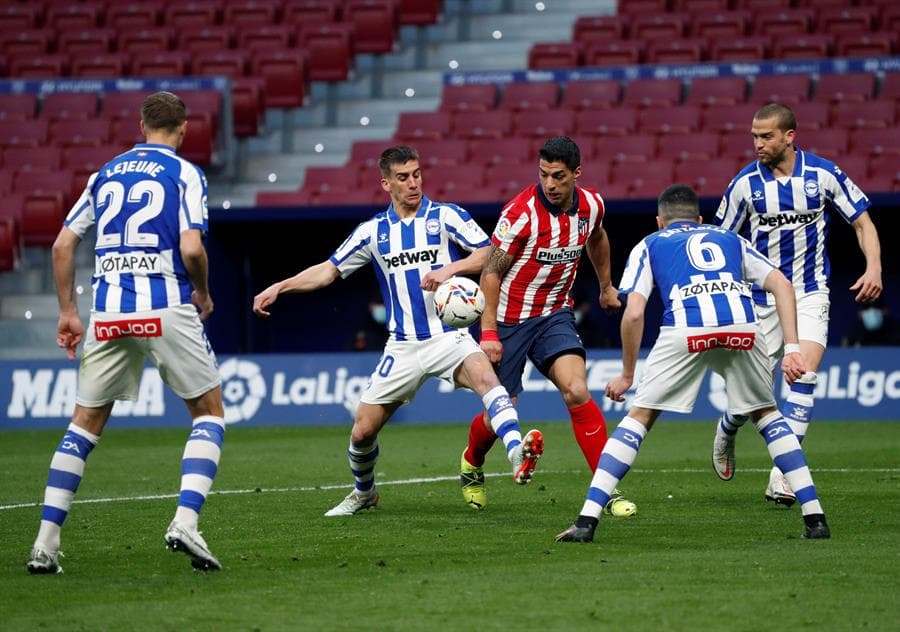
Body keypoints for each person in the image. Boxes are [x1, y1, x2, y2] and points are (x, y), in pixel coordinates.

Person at [252, 145, 543, 516]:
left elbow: (489, 253)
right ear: (386, 183)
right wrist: (281, 286)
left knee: (489, 381)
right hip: (402, 346)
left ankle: (516, 452)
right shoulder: (373, 232)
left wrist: (450, 269)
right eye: (403, 177)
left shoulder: (446, 216)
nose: (413, 183)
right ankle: (364, 493)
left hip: (448, 337)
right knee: (362, 432)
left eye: (417, 174)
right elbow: (328, 270)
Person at [556, 184, 830, 544]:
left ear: (659, 221)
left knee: (640, 418)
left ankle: (587, 521)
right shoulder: (730, 239)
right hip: (743, 325)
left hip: (687, 326)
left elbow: (634, 312)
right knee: (767, 415)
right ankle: (815, 518)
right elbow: (781, 283)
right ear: (699, 219)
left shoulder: (650, 243)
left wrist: (627, 374)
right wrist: (792, 348)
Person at [26, 92, 226, 574]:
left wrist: (68, 313)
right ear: (184, 129)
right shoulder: (185, 174)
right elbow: (192, 248)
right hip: (166, 306)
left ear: (141, 126)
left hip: (109, 313)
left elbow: (62, 245)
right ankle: (185, 521)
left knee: (83, 426)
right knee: (209, 414)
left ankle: (44, 544)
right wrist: (202, 292)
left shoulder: (104, 174)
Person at [711, 103, 882, 506]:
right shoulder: (744, 185)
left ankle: (783, 475)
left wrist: (874, 267)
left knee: (803, 375)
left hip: (809, 291)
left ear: (790, 136)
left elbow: (862, 223)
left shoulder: (822, 174)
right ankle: (728, 427)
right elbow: (720, 242)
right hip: (760, 297)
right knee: (751, 395)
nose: (758, 144)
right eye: (754, 136)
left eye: (766, 136)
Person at [458, 136, 635, 516]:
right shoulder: (520, 214)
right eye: (543, 175)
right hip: (507, 319)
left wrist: (606, 287)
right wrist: (488, 333)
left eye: (558, 176)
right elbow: (491, 273)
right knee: (500, 412)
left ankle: (607, 490)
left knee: (577, 390)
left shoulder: (592, 205)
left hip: (554, 313)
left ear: (576, 173)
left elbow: (598, 237)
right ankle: (472, 462)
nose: (550, 184)